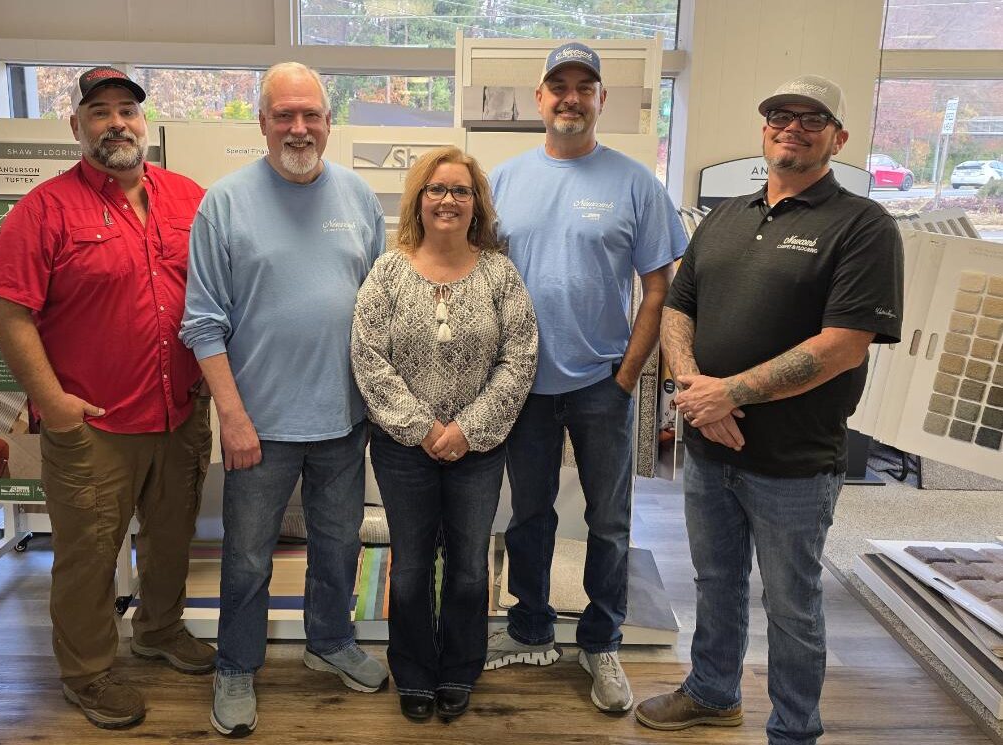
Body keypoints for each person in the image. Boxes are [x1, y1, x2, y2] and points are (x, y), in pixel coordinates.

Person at [636, 75, 903, 744]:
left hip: (794, 462)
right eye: (781, 115)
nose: (794, 127)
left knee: (792, 604)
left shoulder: (863, 226)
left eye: (812, 119)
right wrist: (698, 392)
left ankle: (793, 729)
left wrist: (732, 393)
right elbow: (678, 309)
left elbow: (843, 345)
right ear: (764, 130)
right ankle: (712, 693)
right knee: (716, 582)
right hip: (709, 449)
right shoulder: (726, 216)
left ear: (838, 137)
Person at [0, 66, 214, 730]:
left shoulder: (188, 198)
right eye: (100, 111)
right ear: (76, 126)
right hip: (94, 426)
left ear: (144, 123)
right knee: (88, 555)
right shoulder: (45, 209)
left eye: (127, 111)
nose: (116, 123)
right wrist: (52, 401)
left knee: (172, 536)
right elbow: (7, 310)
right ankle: (87, 672)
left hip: (179, 413)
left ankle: (159, 630)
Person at [180, 61, 387, 738]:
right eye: (284, 115)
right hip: (259, 425)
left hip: (343, 422)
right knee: (246, 556)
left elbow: (380, 310)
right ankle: (237, 665)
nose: (299, 128)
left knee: (338, 546)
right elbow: (202, 323)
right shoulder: (225, 203)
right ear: (263, 122)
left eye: (311, 114)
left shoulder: (358, 197)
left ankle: (330, 641)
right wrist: (232, 416)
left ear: (329, 121)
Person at [486, 42, 687, 713]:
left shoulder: (635, 183)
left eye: (584, 86)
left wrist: (627, 376)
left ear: (602, 99)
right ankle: (531, 626)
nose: (570, 97)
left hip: (602, 383)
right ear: (539, 99)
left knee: (609, 520)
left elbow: (659, 287)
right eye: (558, 86)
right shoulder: (504, 180)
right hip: (522, 385)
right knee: (529, 513)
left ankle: (602, 641)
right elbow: (481, 276)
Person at [351, 146, 538, 723]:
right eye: (437, 189)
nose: (448, 200)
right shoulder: (388, 272)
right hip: (403, 449)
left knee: (468, 565)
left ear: (476, 203)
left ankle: (459, 667)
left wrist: (467, 429)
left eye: (460, 190)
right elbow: (368, 357)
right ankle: (412, 670)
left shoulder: (499, 274)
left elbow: (520, 358)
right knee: (409, 566)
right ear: (419, 200)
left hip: (478, 451)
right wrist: (424, 427)